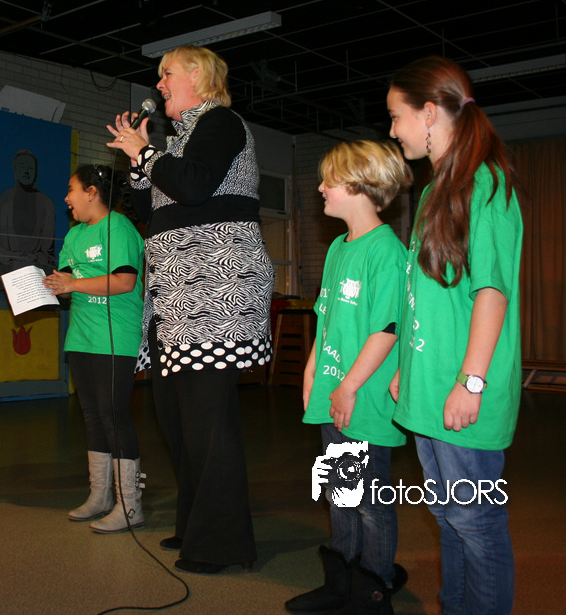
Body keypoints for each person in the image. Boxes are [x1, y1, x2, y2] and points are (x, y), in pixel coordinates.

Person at [107, 45, 274, 575]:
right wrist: (140, 162)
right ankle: (194, 525)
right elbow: (153, 209)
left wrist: (146, 154)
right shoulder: (178, 140)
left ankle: (221, 544)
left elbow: (195, 186)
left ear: (198, 75)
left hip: (215, 297)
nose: (158, 85)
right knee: (178, 422)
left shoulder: (221, 122)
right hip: (174, 301)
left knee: (208, 424)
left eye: (167, 74)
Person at [387, 56, 523, 614]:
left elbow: (491, 291)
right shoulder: (431, 192)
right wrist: (406, 366)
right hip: (428, 386)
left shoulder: (485, 184)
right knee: (447, 515)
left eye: (396, 116)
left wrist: (471, 382)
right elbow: (427, 294)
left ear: (428, 114)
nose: (392, 130)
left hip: (461, 391)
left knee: (475, 520)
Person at [287, 140, 412, 615]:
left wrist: (349, 386)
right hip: (335, 390)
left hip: (363, 397)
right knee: (340, 493)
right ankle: (341, 581)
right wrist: (312, 368)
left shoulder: (387, 252)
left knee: (369, 502)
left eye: (329, 181)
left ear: (361, 187)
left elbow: (387, 329)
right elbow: (326, 318)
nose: (320, 188)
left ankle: (373, 588)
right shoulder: (339, 248)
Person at [41, 164, 146, 533]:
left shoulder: (119, 227)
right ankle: (100, 496)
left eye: (71, 190)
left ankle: (129, 505)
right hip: (81, 337)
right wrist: (47, 286)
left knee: (113, 415)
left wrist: (72, 284)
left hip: (115, 337)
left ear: (91, 192)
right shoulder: (73, 235)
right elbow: (68, 280)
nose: (66, 198)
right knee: (92, 416)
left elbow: (124, 281)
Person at [0, 149, 56, 293]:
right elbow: (2, 246)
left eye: (31, 168)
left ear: (36, 171)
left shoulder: (46, 202)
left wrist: (33, 259)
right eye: (22, 166)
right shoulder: (6, 199)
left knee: (50, 275)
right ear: (15, 169)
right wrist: (18, 258)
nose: (26, 171)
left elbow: (47, 248)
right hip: (10, 263)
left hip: (37, 263)